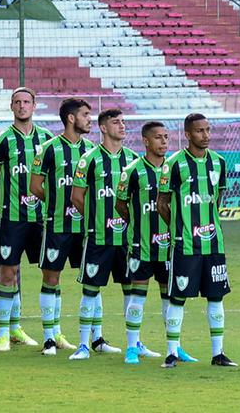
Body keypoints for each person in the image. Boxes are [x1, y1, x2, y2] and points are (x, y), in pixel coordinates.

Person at [157, 113, 237, 368]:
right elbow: (162, 203)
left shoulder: (219, 163)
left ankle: (218, 354)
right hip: (184, 244)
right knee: (178, 297)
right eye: (200, 131)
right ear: (188, 135)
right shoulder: (174, 164)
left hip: (214, 244)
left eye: (208, 130)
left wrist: (209, 223)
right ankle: (171, 352)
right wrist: (179, 226)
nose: (206, 135)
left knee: (216, 297)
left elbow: (218, 199)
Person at [117, 121, 193, 365]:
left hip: (170, 245)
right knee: (137, 296)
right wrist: (137, 224)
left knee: (169, 297)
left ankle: (175, 346)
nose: (164, 142)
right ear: (146, 141)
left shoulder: (174, 168)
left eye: (166, 137)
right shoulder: (132, 171)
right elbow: (120, 205)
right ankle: (132, 347)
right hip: (141, 245)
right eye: (158, 137)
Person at [67, 108, 139, 360]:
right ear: (103, 128)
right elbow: (76, 197)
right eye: (115, 122)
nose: (121, 126)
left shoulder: (132, 160)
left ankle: (135, 343)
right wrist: (97, 217)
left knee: (131, 289)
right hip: (98, 238)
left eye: (123, 122)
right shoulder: (88, 159)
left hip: (127, 240)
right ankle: (84, 344)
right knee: (91, 289)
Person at [0, 87, 53, 352]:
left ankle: (53, 334)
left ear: (34, 106)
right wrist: (3, 208)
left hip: (41, 219)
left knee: (51, 272)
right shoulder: (1, 140)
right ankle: (5, 332)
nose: (22, 106)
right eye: (17, 102)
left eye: (26, 102)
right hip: (12, 219)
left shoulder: (47, 140)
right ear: (11, 107)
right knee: (7, 272)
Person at [29, 98, 95, 355]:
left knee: (92, 279)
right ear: (71, 118)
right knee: (51, 278)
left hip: (85, 228)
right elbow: (35, 186)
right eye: (86, 114)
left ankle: (95, 338)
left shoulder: (90, 150)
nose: (90, 119)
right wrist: (57, 202)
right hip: (57, 225)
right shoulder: (48, 148)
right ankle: (49, 337)